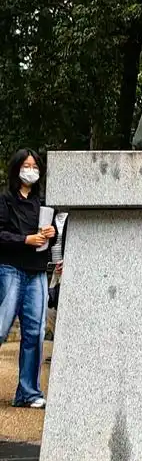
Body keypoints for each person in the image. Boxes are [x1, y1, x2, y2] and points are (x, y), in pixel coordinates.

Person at [0, 149, 56, 408]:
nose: (31, 170)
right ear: (17, 168)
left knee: (34, 332)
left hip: (37, 272)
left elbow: (52, 238)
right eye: (26, 165)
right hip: (11, 269)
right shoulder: (5, 200)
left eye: (35, 166)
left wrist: (51, 233)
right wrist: (25, 240)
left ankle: (28, 392)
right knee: (2, 327)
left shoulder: (43, 203)